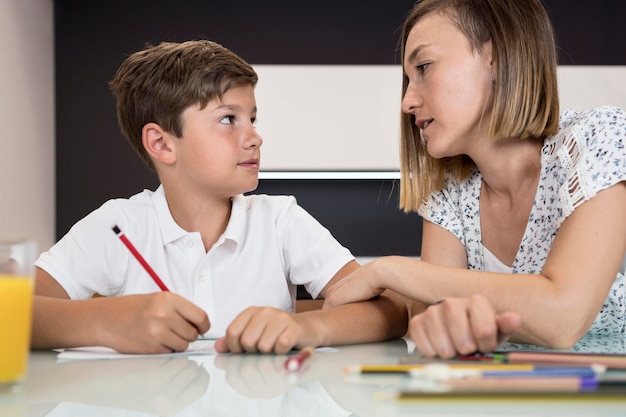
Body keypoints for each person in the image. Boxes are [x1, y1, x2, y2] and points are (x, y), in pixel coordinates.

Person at [31, 40, 407, 355]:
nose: (254, 137)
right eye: (229, 119)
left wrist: (304, 328)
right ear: (161, 143)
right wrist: (108, 322)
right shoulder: (117, 225)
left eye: (252, 119)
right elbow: (11, 314)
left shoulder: (280, 220)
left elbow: (390, 310)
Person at [324, 0, 626, 358]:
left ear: (495, 59)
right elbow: (432, 323)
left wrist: (391, 271)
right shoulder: (450, 190)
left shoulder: (601, 138)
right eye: (408, 79)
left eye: (423, 67)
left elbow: (562, 316)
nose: (407, 101)